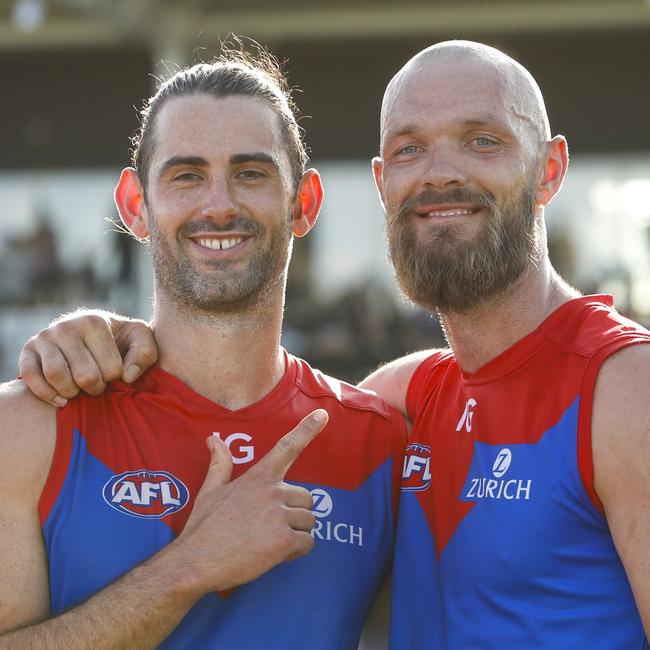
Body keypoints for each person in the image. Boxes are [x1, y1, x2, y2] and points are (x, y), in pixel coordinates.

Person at [22, 40, 650, 648]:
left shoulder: (626, 389)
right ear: (383, 182)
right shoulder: (407, 404)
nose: (441, 173)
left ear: (550, 168)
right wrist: (103, 337)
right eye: (410, 150)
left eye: (483, 140)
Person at [0, 46, 407, 649]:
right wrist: (190, 567)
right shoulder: (29, 425)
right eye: (187, 175)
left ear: (305, 202)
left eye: (251, 173)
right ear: (136, 205)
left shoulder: (381, 445)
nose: (219, 205)